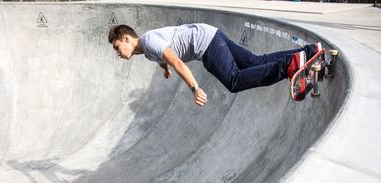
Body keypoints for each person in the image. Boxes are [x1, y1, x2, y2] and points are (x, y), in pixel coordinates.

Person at [108, 23, 321, 106]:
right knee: (256, 61)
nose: (118, 53)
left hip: (205, 45)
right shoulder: (147, 51)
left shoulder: (149, 42)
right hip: (211, 33)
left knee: (234, 80)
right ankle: (309, 52)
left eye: (118, 47)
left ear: (126, 38)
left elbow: (178, 63)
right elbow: (165, 61)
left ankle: (288, 66)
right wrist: (165, 71)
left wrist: (195, 88)